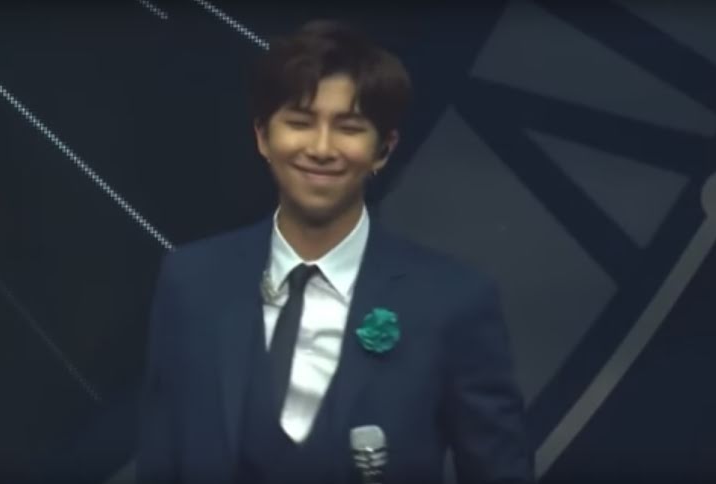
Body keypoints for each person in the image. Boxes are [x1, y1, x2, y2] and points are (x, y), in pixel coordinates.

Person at [136, 19, 532, 484]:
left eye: (348, 127)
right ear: (263, 136)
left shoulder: (453, 301)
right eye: (300, 123)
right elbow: (160, 461)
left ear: (383, 149)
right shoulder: (192, 281)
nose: (321, 149)